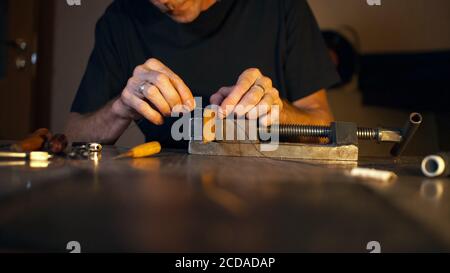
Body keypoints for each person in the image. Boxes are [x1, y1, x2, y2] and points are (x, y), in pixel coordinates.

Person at [66, 0, 340, 148]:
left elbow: (323, 127)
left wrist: (276, 113)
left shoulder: (281, 7)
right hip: (163, 199)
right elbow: (72, 135)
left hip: (268, 188)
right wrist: (120, 109)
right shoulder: (120, 19)